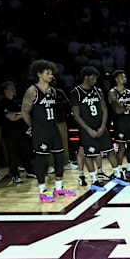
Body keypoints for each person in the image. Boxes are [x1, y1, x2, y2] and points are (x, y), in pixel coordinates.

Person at [21, 59, 76, 203]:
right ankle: (42, 190)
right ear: (39, 74)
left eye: (52, 73)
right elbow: (24, 112)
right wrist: (32, 126)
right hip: (41, 131)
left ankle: (58, 187)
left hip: (54, 129)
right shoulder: (32, 91)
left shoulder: (52, 91)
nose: (51, 76)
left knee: (59, 158)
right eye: (48, 73)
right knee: (41, 160)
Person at [69, 66, 117, 187]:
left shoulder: (98, 91)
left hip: (100, 127)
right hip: (87, 129)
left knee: (110, 151)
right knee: (88, 154)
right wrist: (88, 129)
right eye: (93, 77)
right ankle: (94, 179)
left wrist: (102, 126)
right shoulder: (76, 93)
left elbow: (105, 109)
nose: (95, 80)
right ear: (86, 77)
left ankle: (118, 174)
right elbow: (76, 114)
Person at [0, 81, 36, 184]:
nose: (14, 89)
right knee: (12, 154)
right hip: (9, 133)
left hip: (22, 131)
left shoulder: (19, 101)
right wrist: (21, 114)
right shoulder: (2, 103)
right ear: (5, 91)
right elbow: (12, 117)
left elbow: (26, 113)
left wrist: (22, 116)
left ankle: (30, 171)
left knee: (26, 152)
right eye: (11, 88)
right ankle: (15, 175)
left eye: (14, 87)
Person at [107, 70, 130, 179]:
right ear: (116, 79)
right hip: (119, 122)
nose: (124, 78)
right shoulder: (112, 92)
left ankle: (129, 168)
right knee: (121, 147)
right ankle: (118, 170)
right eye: (122, 77)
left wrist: (124, 105)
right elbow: (117, 110)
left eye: (125, 76)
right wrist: (129, 106)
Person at [47, 79, 78, 174]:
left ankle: (65, 163)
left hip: (60, 121)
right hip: (48, 122)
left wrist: (55, 105)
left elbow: (67, 104)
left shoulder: (60, 92)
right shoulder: (42, 93)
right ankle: (50, 165)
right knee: (50, 143)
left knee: (64, 142)